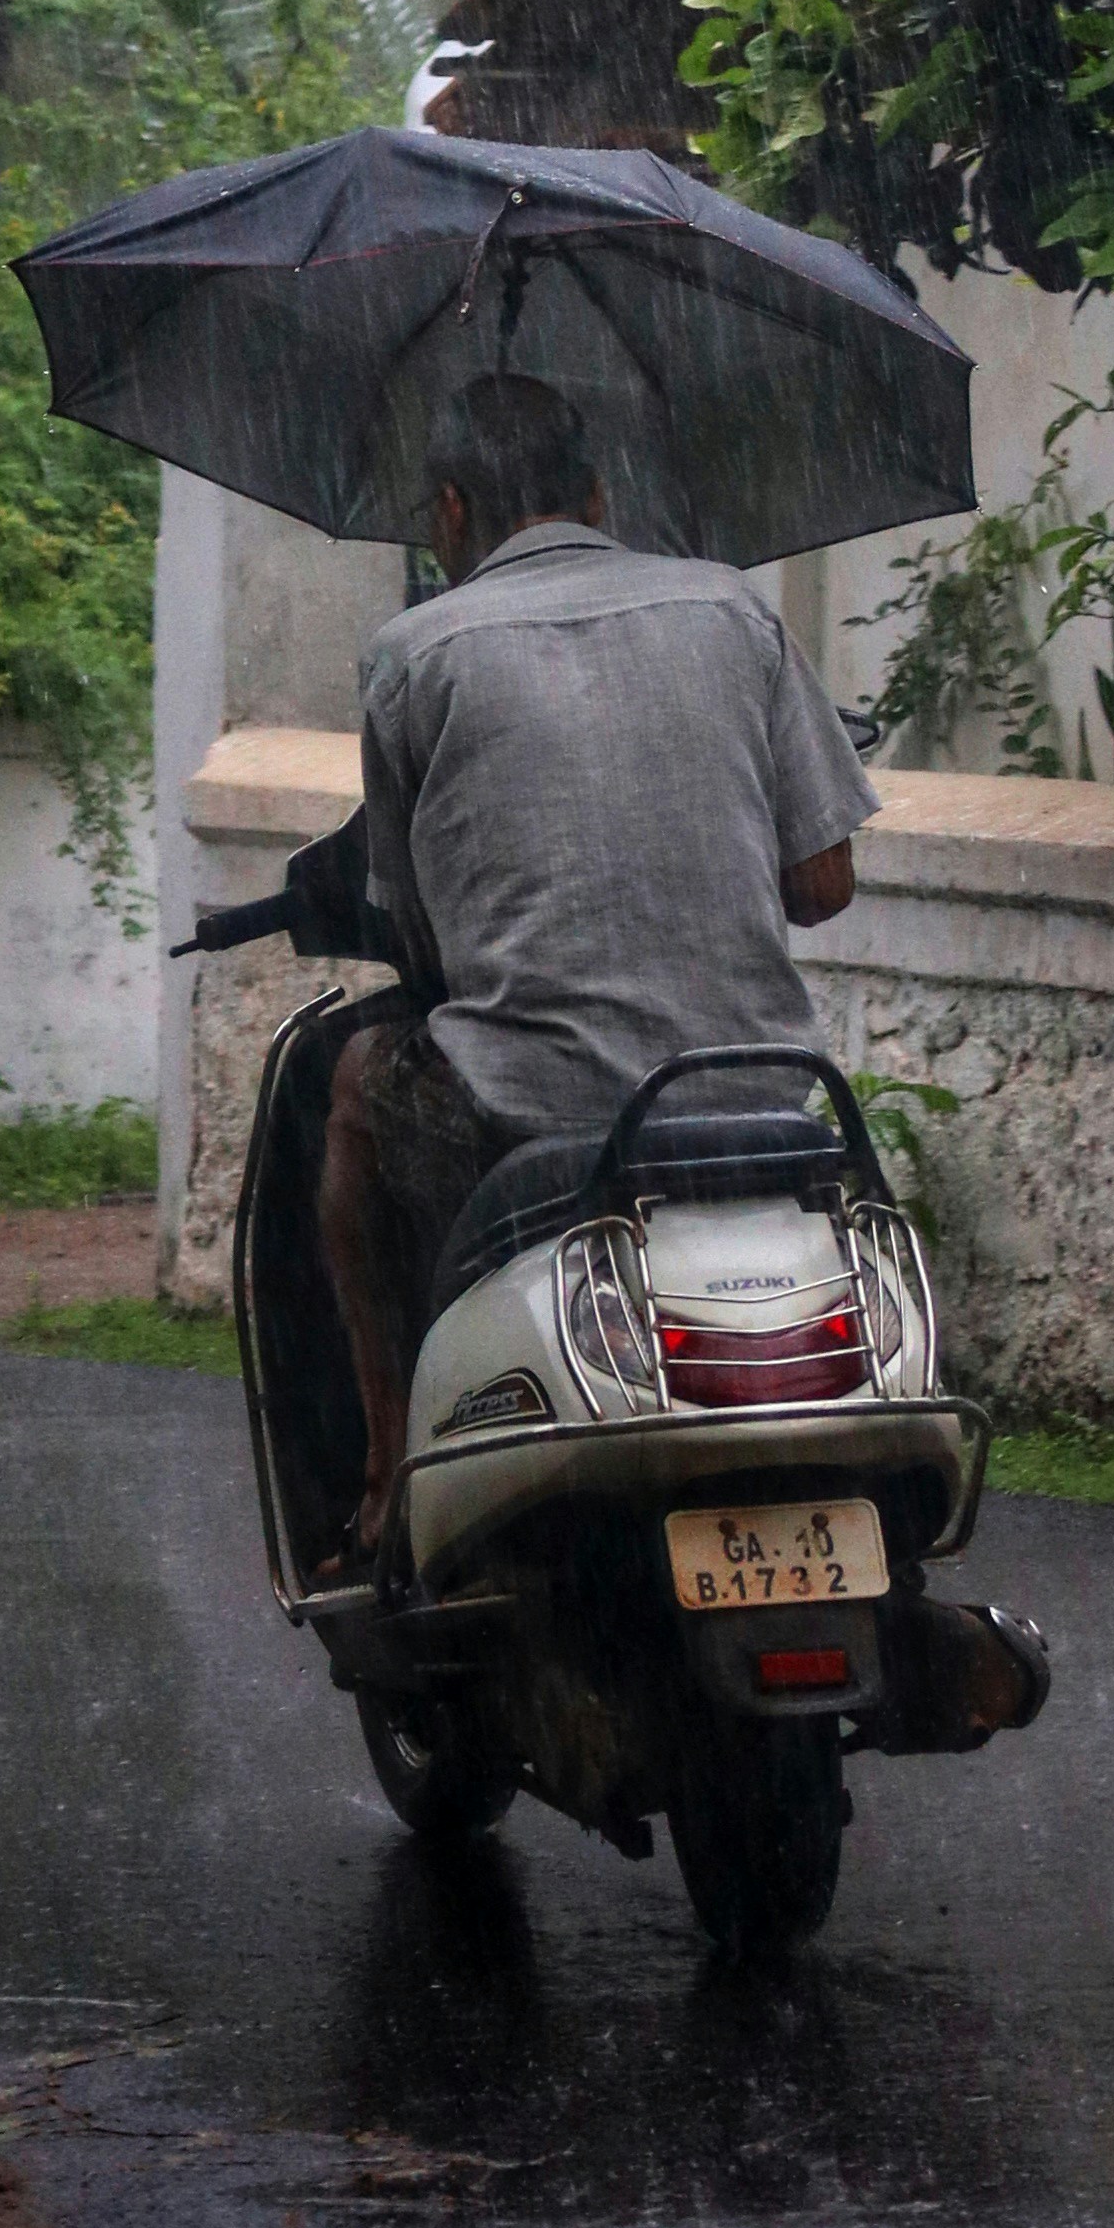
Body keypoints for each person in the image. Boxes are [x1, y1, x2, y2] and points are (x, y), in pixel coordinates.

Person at [315, 369, 877, 1568]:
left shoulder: (413, 655)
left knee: (359, 1083)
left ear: (450, 512)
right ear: (598, 494)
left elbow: (422, 945)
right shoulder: (733, 611)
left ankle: (392, 1468)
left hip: (534, 1115)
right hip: (755, 1096)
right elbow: (824, 881)